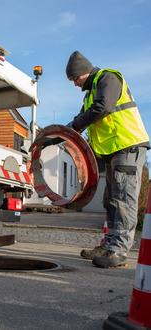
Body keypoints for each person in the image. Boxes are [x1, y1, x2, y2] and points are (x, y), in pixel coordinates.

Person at [66, 51, 150, 268]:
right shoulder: (90, 94)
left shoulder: (108, 78)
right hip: (113, 151)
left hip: (127, 146)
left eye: (75, 79)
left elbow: (102, 108)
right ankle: (108, 245)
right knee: (111, 200)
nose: (75, 84)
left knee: (123, 198)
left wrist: (74, 127)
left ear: (83, 73)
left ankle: (118, 250)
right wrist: (61, 135)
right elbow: (80, 121)